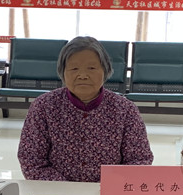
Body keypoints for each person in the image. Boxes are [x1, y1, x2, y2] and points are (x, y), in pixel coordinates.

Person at [17, 36, 153, 182]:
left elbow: (139, 160)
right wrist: (66, 190)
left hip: (109, 191)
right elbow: (31, 160)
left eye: (91, 68)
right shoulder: (43, 106)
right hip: (55, 193)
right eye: (74, 68)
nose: (82, 75)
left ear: (105, 70)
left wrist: (107, 187)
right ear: (63, 72)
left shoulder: (125, 110)